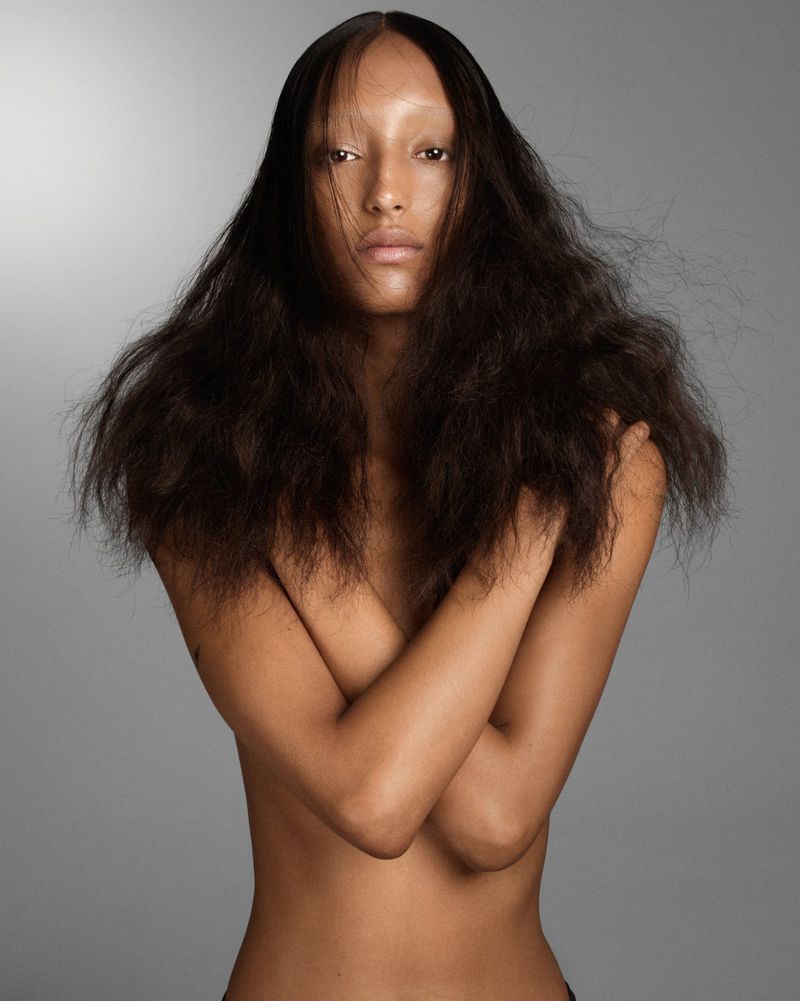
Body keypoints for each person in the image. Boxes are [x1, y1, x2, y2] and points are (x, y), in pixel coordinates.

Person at [66, 11, 730, 1001]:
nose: (385, 192)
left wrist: (361, 562)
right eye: (339, 152)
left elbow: (496, 816)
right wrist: (520, 543)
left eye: (430, 151)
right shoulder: (195, 455)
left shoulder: (599, 461)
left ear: (480, 183)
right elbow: (372, 797)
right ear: (289, 191)